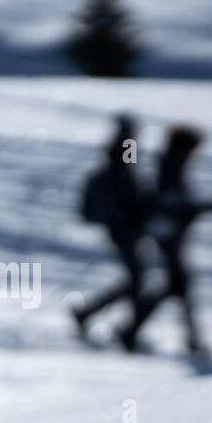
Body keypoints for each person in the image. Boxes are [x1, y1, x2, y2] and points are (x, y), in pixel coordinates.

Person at [116, 125, 212, 355]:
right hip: (168, 237)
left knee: (177, 286)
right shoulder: (170, 168)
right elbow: (171, 204)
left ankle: (135, 331)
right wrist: (199, 209)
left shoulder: (170, 165)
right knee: (178, 285)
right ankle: (132, 331)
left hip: (169, 235)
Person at [72, 114, 145, 338]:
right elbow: (129, 177)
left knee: (136, 278)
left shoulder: (118, 146)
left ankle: (97, 315)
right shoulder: (127, 145)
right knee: (137, 278)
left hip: (119, 223)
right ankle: (124, 327)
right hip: (124, 223)